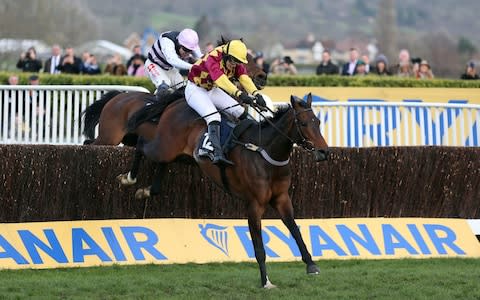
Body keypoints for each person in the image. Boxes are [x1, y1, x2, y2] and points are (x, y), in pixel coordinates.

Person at [185, 39, 267, 165]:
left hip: (211, 89)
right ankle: (216, 153)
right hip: (195, 90)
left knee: (239, 110)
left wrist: (256, 94)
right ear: (226, 56)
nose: (235, 65)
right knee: (214, 116)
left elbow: (244, 78)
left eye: (238, 62)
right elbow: (220, 80)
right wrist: (239, 94)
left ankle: (255, 140)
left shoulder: (234, 57)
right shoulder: (213, 58)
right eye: (234, 61)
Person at [145, 28, 202, 100]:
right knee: (164, 88)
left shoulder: (190, 42)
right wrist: (193, 66)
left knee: (185, 90)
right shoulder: (167, 40)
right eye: (186, 50)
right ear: (179, 44)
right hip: (154, 65)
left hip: (170, 69)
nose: (188, 53)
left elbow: (201, 57)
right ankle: (153, 109)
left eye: (190, 51)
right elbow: (173, 60)